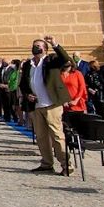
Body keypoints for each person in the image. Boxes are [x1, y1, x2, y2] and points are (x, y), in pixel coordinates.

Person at [19, 35, 73, 175]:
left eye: (38, 45)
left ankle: (67, 165)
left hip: (51, 104)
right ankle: (47, 163)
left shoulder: (51, 60)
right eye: (34, 45)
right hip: (36, 106)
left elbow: (65, 59)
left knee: (56, 135)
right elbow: (24, 84)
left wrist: (55, 44)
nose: (35, 47)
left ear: (45, 49)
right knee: (41, 136)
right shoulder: (27, 65)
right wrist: (27, 95)